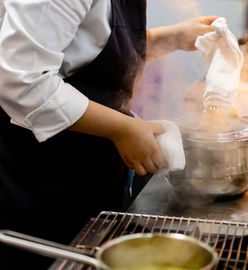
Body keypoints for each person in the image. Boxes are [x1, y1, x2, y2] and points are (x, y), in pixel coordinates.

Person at [0, 0, 217, 268]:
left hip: (89, 173)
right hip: (38, 182)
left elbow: (85, 48)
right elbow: (23, 85)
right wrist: (122, 128)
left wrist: (172, 37)